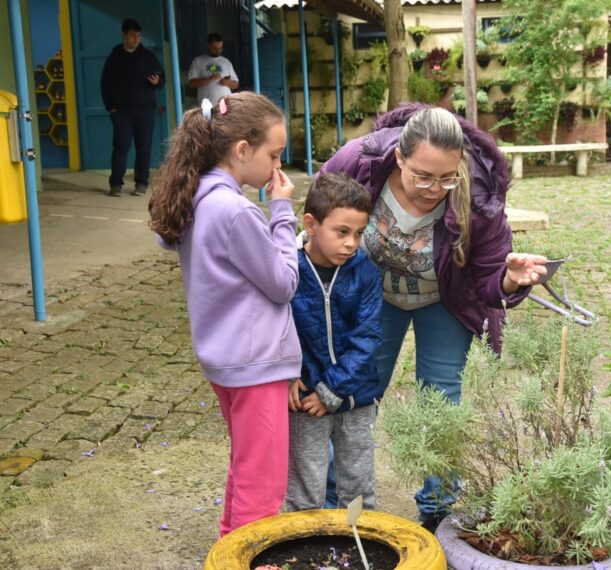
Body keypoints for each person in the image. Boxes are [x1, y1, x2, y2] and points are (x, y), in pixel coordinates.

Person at [320, 104, 548, 529]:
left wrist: (511, 281)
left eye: (447, 177)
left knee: (442, 405)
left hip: (447, 299)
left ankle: (438, 511)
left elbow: (488, 280)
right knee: (356, 395)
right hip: (375, 297)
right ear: (400, 158)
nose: (433, 188)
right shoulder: (359, 163)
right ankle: (337, 498)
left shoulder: (479, 197)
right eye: (422, 175)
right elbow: (320, 215)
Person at [148, 92, 300, 537]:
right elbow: (283, 283)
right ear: (242, 150)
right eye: (273, 155)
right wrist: (282, 213)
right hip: (256, 364)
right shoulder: (236, 211)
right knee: (263, 485)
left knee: (245, 467)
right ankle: (253, 559)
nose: (276, 167)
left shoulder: (193, 199)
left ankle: (228, 552)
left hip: (226, 361)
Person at [286, 173, 383, 512]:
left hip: (356, 397)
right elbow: (271, 326)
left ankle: (362, 548)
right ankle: (304, 552)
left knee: (358, 484)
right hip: (303, 400)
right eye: (341, 232)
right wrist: (285, 374)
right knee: (305, 486)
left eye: (359, 233)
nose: (351, 243)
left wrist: (332, 391)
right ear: (311, 224)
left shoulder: (366, 272)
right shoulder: (287, 269)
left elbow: (367, 339)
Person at [101, 18, 165, 197]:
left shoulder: (149, 57)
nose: (136, 39)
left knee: (144, 148)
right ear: (124, 35)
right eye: (132, 35)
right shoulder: (114, 58)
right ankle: (115, 184)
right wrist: (111, 107)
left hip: (145, 110)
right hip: (122, 111)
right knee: (121, 147)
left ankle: (141, 183)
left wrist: (157, 81)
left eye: (138, 35)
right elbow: (104, 84)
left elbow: (162, 78)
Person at [187, 33, 240, 104]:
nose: (218, 51)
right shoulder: (198, 61)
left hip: (226, 105)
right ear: (208, 45)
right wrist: (209, 79)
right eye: (214, 48)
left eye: (220, 49)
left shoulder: (226, 62)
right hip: (207, 106)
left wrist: (226, 82)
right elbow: (191, 83)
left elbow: (236, 84)